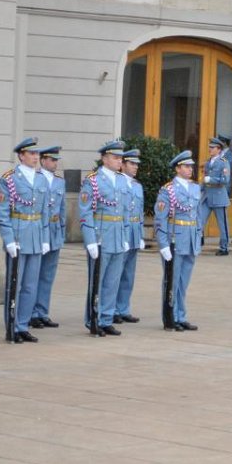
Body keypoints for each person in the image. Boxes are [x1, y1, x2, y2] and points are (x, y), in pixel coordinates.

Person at [0, 137, 51, 343]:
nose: (35, 157)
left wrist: (45, 237)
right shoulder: (9, 179)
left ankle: (22, 325)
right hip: (18, 234)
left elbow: (45, 211)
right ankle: (11, 325)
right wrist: (9, 239)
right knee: (15, 284)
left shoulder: (41, 179)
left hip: (36, 235)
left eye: (37, 154)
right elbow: (3, 213)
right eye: (31, 154)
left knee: (30, 285)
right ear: (21, 155)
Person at [79, 139, 130, 336]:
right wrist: (90, 240)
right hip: (101, 235)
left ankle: (106, 318)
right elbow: (85, 213)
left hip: (117, 234)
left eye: (120, 158)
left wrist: (125, 235)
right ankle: (93, 318)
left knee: (113, 281)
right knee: (97, 280)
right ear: (105, 158)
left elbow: (124, 211)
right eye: (116, 157)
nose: (119, 161)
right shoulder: (93, 181)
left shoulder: (121, 180)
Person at [155, 150, 201, 331]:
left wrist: (198, 236)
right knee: (172, 281)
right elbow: (160, 219)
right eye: (186, 166)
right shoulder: (168, 190)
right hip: (175, 239)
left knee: (184, 282)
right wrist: (163, 244)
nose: (190, 169)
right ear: (178, 168)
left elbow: (197, 215)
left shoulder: (195, 188)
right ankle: (170, 317)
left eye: (191, 166)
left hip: (190, 240)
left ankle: (181, 316)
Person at [31, 146, 64, 329]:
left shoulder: (59, 182)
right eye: (52, 159)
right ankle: (31, 313)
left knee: (47, 276)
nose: (55, 163)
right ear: (43, 161)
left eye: (56, 160)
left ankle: (42, 311)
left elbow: (63, 209)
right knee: (34, 274)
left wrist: (62, 231)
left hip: (54, 230)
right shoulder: (37, 179)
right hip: (39, 231)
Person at [115, 148, 144, 324]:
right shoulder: (117, 182)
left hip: (133, 231)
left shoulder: (137, 185)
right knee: (116, 273)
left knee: (128, 274)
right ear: (122, 165)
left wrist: (140, 235)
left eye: (136, 165)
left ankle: (123, 308)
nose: (135, 168)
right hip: (121, 230)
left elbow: (139, 212)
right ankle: (112, 310)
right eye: (132, 164)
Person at [199, 137, 230, 256]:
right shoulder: (208, 162)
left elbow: (225, 180)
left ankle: (224, 247)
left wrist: (211, 179)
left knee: (223, 225)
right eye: (210, 147)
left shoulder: (223, 162)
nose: (210, 149)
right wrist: (198, 189)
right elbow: (205, 180)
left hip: (218, 196)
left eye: (212, 148)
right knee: (199, 221)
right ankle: (197, 243)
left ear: (219, 149)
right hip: (207, 196)